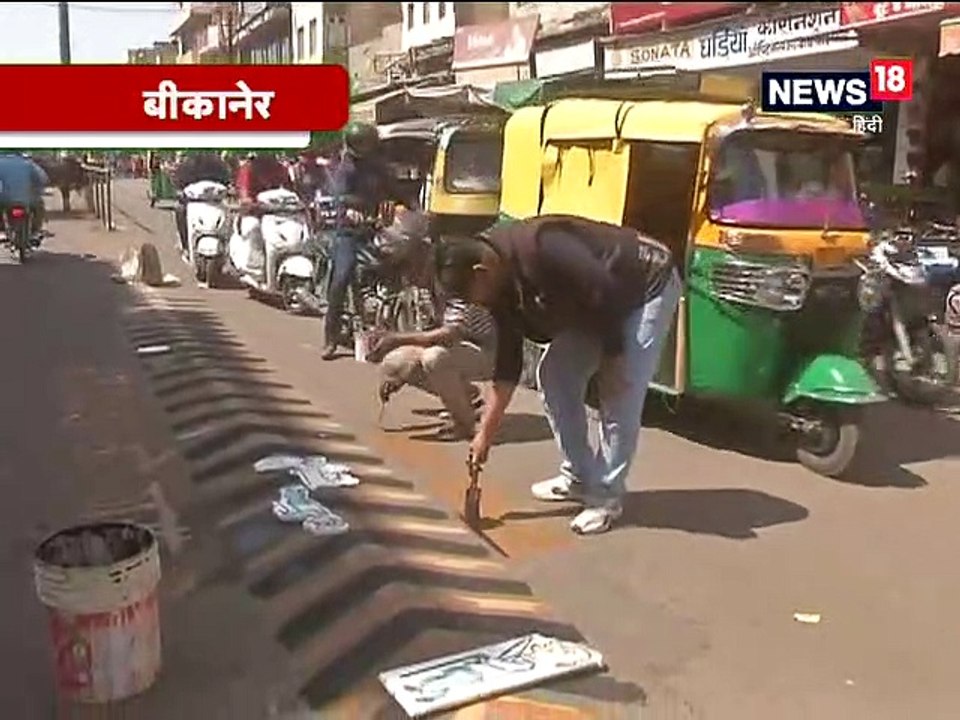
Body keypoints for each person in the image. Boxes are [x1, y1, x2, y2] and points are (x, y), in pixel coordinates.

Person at [439, 215, 681, 536]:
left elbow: (603, 288)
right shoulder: (498, 282)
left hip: (644, 286)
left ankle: (606, 498)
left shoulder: (539, 246)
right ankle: (579, 476)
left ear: (481, 272)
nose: (476, 305)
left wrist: (614, 356)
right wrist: (485, 433)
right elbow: (509, 363)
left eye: (473, 296)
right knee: (554, 374)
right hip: (595, 303)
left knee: (618, 391)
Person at [370, 229, 495, 438]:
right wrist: (399, 372)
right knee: (396, 362)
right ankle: (465, 395)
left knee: (434, 358)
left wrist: (395, 338)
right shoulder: (427, 288)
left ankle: (464, 424)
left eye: (408, 268)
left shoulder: (454, 279)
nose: (407, 276)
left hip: (487, 350)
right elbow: (430, 333)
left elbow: (449, 334)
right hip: (459, 348)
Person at [322, 121, 407, 360]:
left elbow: (396, 190)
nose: (365, 147)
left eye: (368, 143)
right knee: (342, 277)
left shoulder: (379, 167)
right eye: (361, 143)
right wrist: (352, 208)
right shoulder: (345, 167)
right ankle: (330, 338)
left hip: (377, 229)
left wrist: (414, 207)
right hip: (349, 232)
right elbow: (340, 194)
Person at [172, 151, 232, 257]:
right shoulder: (190, 163)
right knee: (179, 209)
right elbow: (179, 180)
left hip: (215, 202)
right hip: (195, 202)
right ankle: (185, 243)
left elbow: (227, 179)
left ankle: (228, 246)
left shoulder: (218, 163)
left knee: (230, 214)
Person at [0, 151, 49, 242]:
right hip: (27, 199)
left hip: (4, 199)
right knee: (39, 206)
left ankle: (1, 231)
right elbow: (43, 179)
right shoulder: (28, 164)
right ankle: (35, 231)